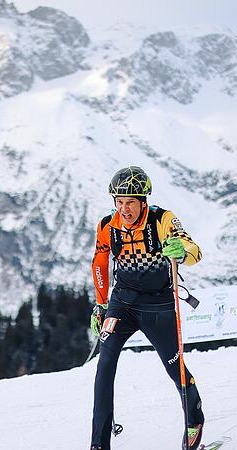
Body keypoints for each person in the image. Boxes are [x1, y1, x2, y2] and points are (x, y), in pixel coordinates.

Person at [89, 166, 205, 450]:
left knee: (174, 366)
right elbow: (100, 263)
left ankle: (195, 419)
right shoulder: (107, 225)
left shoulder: (162, 219)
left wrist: (182, 251)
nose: (124, 209)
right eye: (119, 201)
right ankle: (99, 444)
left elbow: (194, 249)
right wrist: (101, 304)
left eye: (130, 202)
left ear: (143, 201)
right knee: (104, 364)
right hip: (121, 303)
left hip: (158, 305)